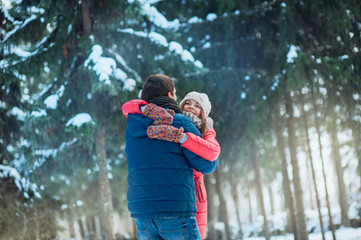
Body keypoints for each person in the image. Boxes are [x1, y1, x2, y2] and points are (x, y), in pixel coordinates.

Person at [122, 74, 219, 240]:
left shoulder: (132, 125)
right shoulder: (180, 121)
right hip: (175, 209)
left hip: (142, 213)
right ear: (169, 95)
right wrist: (208, 132)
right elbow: (208, 164)